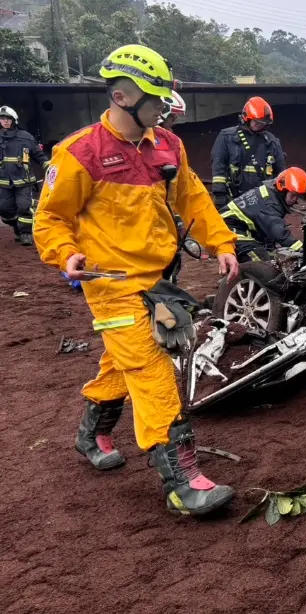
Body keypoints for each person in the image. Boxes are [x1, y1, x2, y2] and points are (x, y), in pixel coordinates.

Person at [33, 44, 241, 518]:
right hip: (110, 284)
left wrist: (221, 243)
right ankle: (183, 483)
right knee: (151, 367)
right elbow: (49, 219)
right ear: (123, 96)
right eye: (156, 98)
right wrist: (66, 255)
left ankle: (92, 432)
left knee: (122, 361)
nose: (164, 107)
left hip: (159, 280)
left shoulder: (168, 144)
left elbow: (193, 197)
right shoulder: (79, 153)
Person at [221, 167, 306, 263]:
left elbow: (266, 230)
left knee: (272, 256)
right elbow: (277, 231)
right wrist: (301, 248)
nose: (295, 200)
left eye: (298, 196)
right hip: (227, 229)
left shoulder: (271, 194)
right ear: (283, 189)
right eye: (293, 195)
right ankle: (241, 273)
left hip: (238, 227)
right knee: (264, 263)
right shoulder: (270, 203)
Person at [210, 96, 286, 208]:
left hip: (262, 198)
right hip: (233, 196)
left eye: (262, 123)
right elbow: (218, 165)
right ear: (246, 118)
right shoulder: (227, 137)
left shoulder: (271, 142)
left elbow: (280, 172)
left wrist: (281, 195)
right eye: (256, 122)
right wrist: (219, 193)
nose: (259, 125)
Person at [0, 105, 49, 245]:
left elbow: (39, 156)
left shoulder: (26, 137)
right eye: (2, 119)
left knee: (24, 206)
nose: (5, 121)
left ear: (14, 120)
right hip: (3, 181)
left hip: (24, 180)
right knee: (4, 208)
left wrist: (49, 167)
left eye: (8, 119)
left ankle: (26, 233)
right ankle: (17, 227)